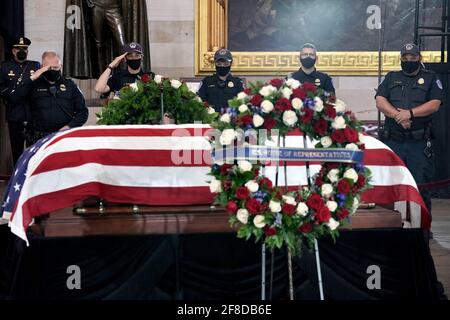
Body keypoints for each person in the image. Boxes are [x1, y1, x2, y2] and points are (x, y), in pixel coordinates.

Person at [375, 42, 443, 213]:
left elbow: (434, 104)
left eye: (412, 57)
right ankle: (395, 228)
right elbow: (380, 101)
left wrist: (410, 113)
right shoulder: (391, 77)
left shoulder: (431, 77)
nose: (408, 60)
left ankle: (422, 231)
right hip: (394, 142)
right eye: (405, 57)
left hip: (418, 145)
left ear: (419, 58)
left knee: (420, 187)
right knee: (392, 186)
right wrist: (400, 116)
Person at [9, 51, 88, 145]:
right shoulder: (33, 84)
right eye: (48, 68)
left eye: (55, 67)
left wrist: (69, 127)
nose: (52, 70)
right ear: (42, 67)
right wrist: (32, 78)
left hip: (63, 138)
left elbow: (83, 112)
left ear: (61, 66)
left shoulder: (70, 85)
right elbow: (14, 97)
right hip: (38, 139)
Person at [0, 37, 40, 165]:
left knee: (33, 151)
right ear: (13, 51)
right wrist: (11, 94)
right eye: (18, 49)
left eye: (25, 49)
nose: (22, 51)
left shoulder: (35, 65)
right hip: (15, 115)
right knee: (16, 151)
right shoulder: (5, 67)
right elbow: (1, 88)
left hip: (32, 115)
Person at [197, 48, 245, 112]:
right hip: (211, 119)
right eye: (219, 64)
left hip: (231, 119)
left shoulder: (238, 82)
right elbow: (200, 103)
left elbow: (242, 104)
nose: (222, 66)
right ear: (215, 64)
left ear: (230, 64)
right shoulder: (206, 82)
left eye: (225, 64)